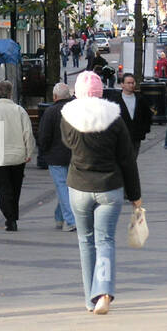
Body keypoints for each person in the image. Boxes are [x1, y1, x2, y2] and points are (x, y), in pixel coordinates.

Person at [60, 70, 143, 315]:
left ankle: (90, 298)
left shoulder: (67, 119)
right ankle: (104, 293)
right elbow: (127, 159)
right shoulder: (114, 119)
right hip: (110, 187)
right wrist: (135, 194)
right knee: (105, 240)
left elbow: (67, 146)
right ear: (101, 92)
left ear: (78, 93)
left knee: (85, 242)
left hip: (79, 187)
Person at [0, 80, 34, 232]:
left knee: (3, 188)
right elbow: (28, 133)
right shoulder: (19, 110)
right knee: (16, 187)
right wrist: (29, 152)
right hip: (18, 155)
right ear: (10, 93)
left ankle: (10, 218)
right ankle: (13, 216)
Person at [37, 81, 76, 232]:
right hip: (73, 154)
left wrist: (44, 151)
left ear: (54, 96)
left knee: (62, 187)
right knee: (67, 188)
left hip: (55, 156)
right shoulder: (76, 110)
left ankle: (70, 220)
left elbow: (44, 136)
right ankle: (59, 217)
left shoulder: (50, 112)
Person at [105, 72, 150, 151]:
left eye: (132, 83)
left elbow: (147, 115)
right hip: (120, 137)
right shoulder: (115, 100)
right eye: (128, 83)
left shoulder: (140, 99)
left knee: (133, 159)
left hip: (136, 136)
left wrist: (144, 130)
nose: (131, 85)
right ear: (122, 84)